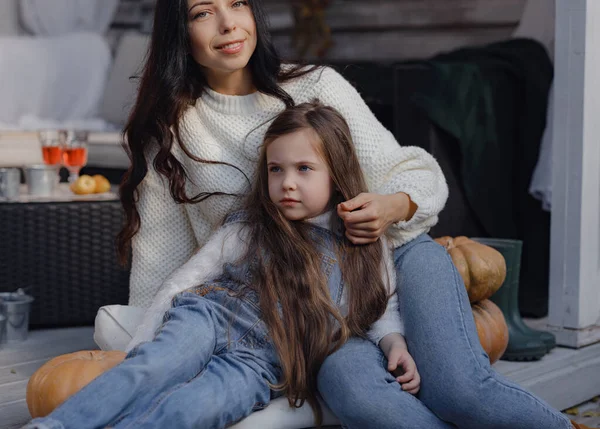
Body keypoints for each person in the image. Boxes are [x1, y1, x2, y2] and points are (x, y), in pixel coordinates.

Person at [93, 0, 583, 428]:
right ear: (180, 33)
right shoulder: (172, 133)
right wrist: (147, 359)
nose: (227, 24)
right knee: (361, 399)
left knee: (459, 392)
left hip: (397, 260)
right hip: (318, 314)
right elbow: (162, 265)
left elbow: (415, 171)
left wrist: (391, 206)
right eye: (202, 12)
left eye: (237, 3)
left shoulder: (317, 86)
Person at [25, 101, 425, 429]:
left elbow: (382, 307)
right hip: (210, 317)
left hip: (262, 363)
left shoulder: (364, 242)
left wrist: (395, 345)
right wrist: (138, 348)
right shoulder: (253, 228)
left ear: (336, 176)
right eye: (276, 169)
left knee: (194, 409)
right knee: (153, 370)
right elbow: (185, 280)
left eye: (304, 169)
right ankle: (58, 425)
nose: (287, 182)